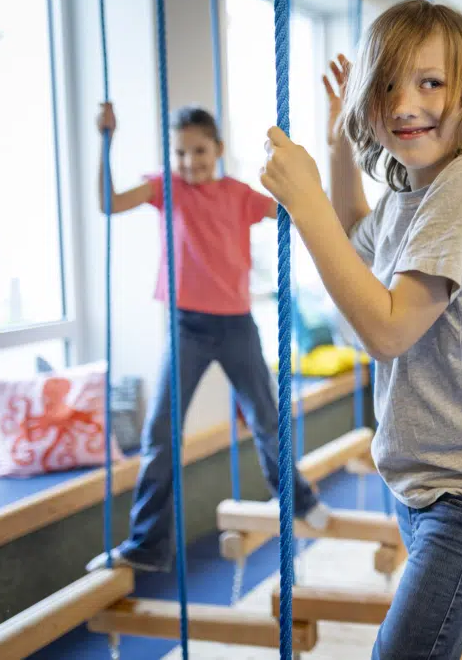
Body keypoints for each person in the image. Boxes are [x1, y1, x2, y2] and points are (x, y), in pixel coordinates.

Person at [259, 0, 462, 660]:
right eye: (386, 83)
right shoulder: (413, 190)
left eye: (430, 82)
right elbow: (360, 237)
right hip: (423, 476)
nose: (405, 101)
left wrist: (304, 207)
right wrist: (334, 145)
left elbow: (387, 331)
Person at [85, 104, 331, 573]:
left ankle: (298, 500)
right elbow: (109, 203)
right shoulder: (165, 188)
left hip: (236, 325)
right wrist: (106, 141)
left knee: (266, 420)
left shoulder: (238, 194)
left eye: (199, 150)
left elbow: (294, 212)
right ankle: (148, 544)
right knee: (161, 433)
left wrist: (297, 170)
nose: (189, 161)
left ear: (218, 149)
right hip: (187, 328)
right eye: (180, 152)